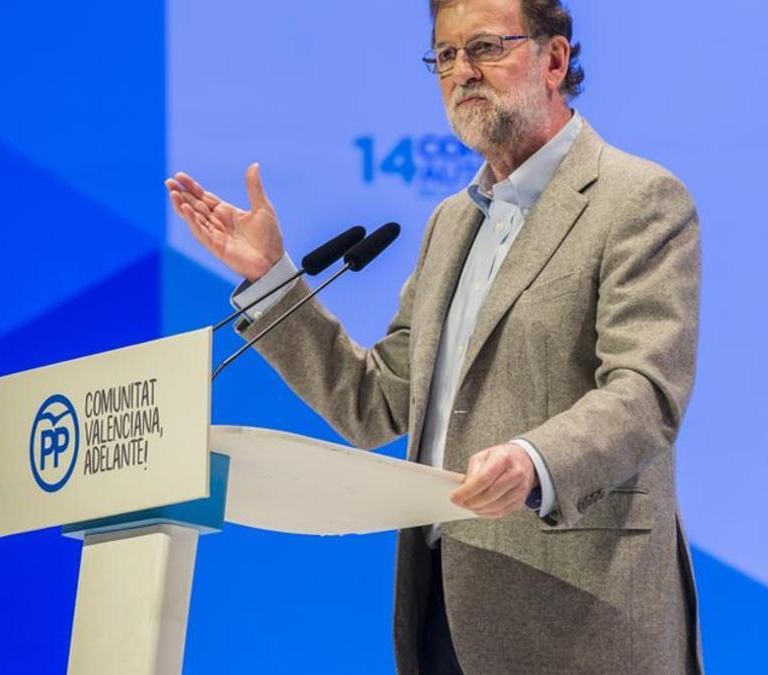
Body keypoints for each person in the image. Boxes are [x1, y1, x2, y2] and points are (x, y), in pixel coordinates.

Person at [166, 1, 702, 672]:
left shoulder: (639, 199)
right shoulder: (451, 223)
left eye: (484, 48)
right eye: (445, 55)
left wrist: (534, 459)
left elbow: (646, 391)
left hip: (579, 614)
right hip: (445, 609)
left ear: (554, 60)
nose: (462, 72)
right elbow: (375, 402)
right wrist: (271, 278)